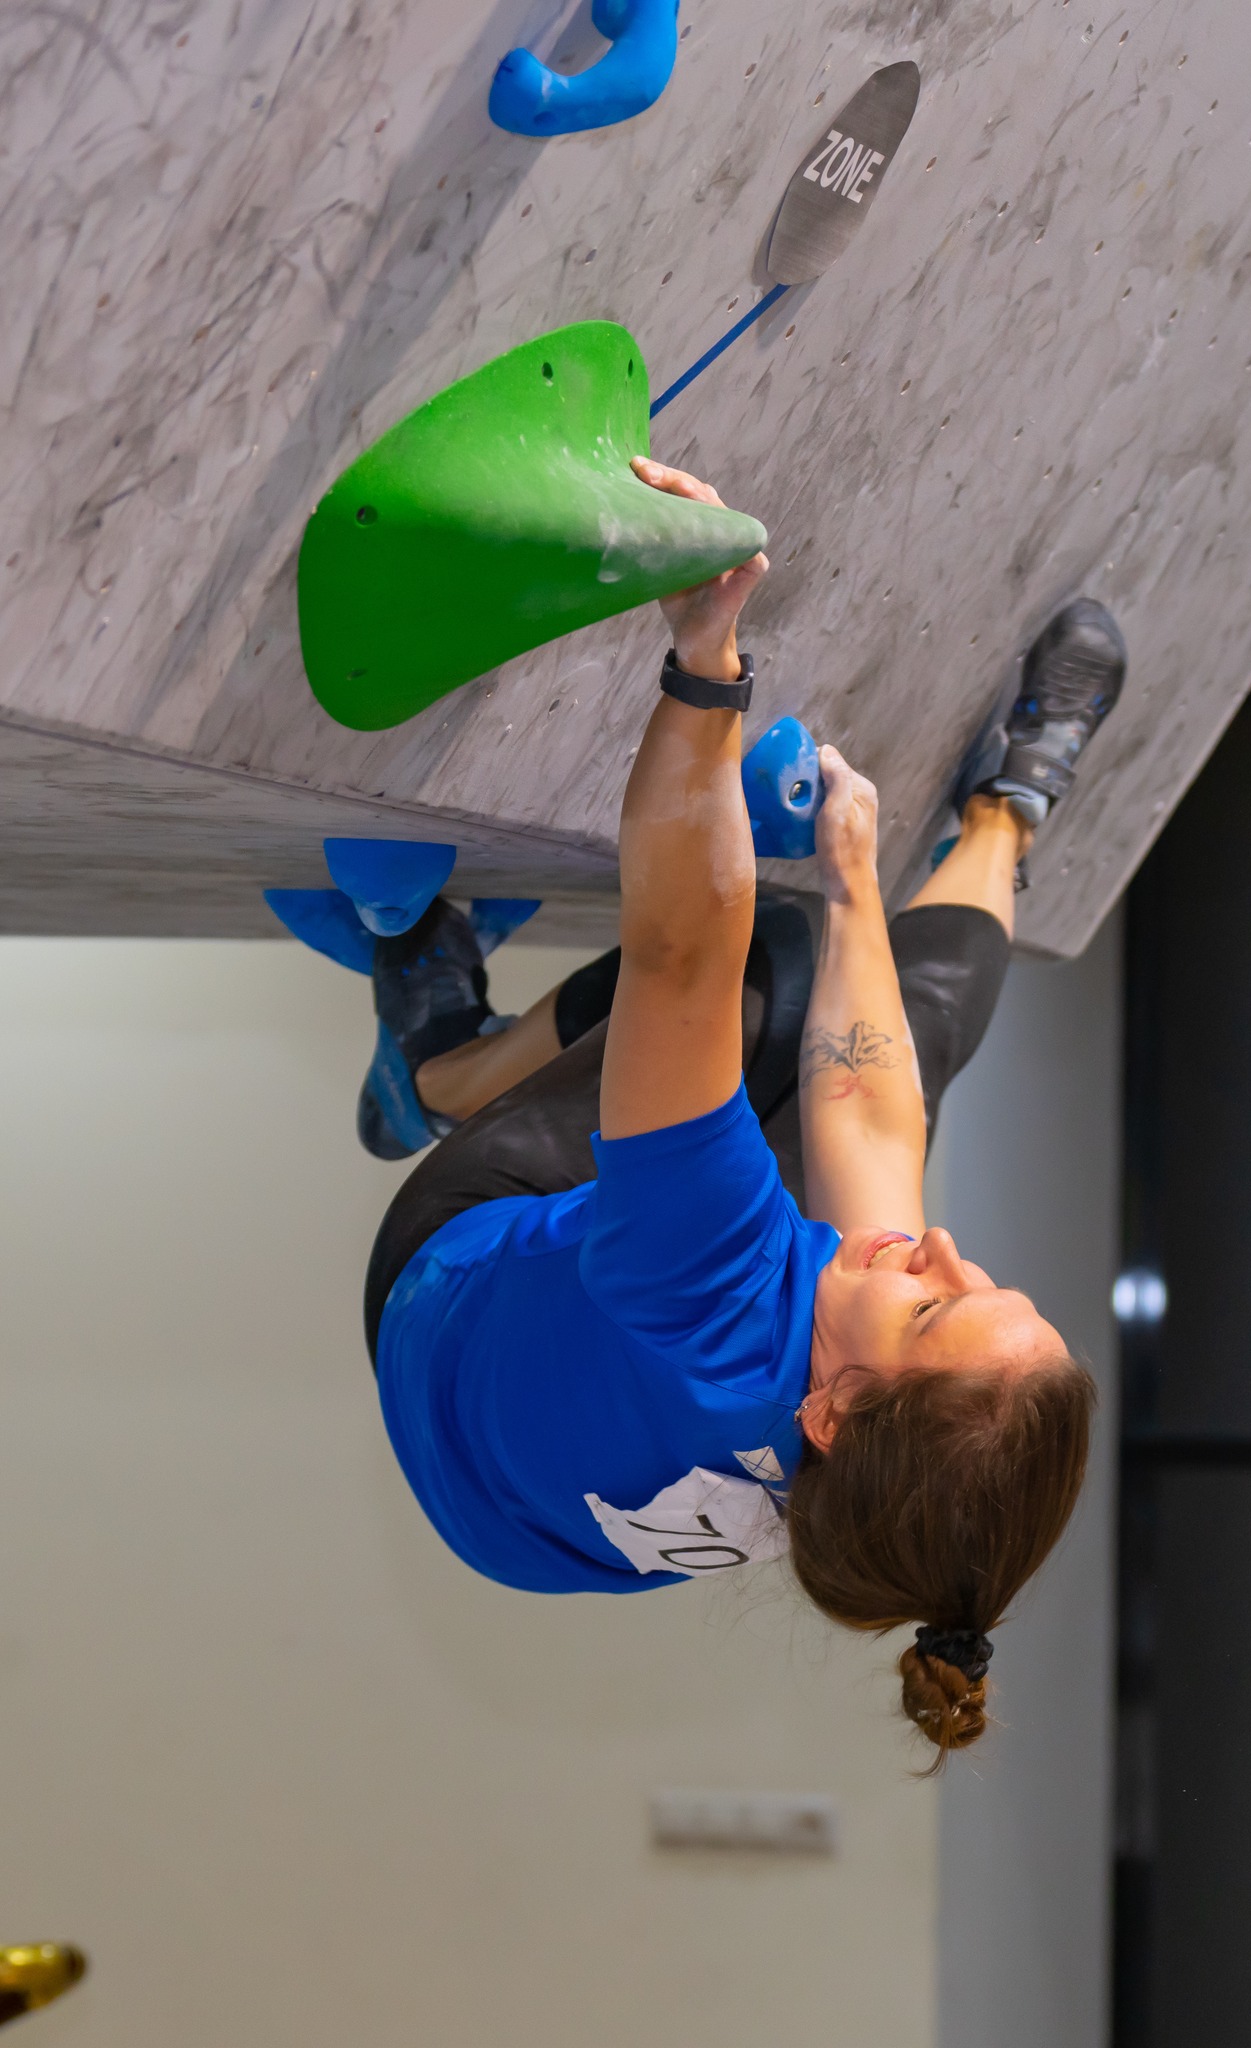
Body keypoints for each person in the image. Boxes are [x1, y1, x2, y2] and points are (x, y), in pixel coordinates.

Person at [360, 459, 1127, 1765]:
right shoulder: (874, 1483)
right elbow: (868, 1115)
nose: (944, 1252)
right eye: (989, 1284)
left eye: (934, 1306)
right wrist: (852, 878)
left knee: (766, 968)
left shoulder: (707, 1295)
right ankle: (1007, 812)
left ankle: (437, 1071)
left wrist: (706, 658)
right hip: (539, 1506)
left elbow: (680, 954)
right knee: (892, 1043)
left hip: (441, 1310)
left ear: (831, 1416)